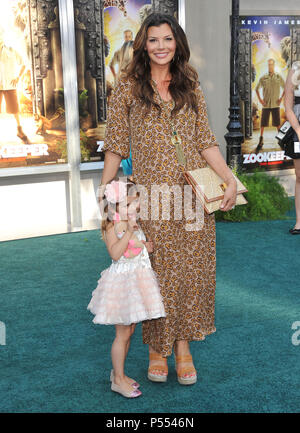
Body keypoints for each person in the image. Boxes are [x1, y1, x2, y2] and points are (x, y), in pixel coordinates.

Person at [99, 13, 237, 386]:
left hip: (192, 192)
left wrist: (229, 179)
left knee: (192, 271)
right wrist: (107, 195)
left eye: (168, 39)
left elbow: (205, 138)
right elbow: (115, 144)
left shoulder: (188, 81)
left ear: (177, 43)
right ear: (143, 43)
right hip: (152, 197)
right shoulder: (127, 85)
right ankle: (157, 350)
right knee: (155, 272)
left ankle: (183, 347)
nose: (161, 47)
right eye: (154, 40)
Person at [87, 178, 166, 397]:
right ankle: (117, 380)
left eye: (137, 205)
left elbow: (133, 250)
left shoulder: (132, 223)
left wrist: (144, 247)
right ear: (116, 206)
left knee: (129, 330)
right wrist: (130, 233)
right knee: (122, 334)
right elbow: (115, 253)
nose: (137, 209)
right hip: (122, 285)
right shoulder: (113, 226)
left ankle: (119, 374)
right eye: (132, 205)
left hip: (136, 281)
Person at [0, 26, 28, 143]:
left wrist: (17, 77)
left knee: (15, 109)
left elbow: (23, 64)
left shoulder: (11, 50)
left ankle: (19, 130)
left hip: (9, 84)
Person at [284, 61, 300, 234]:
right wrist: (298, 129)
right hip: (298, 126)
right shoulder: (296, 68)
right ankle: (299, 222)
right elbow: (288, 107)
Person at [255, 58, 285, 153]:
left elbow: (285, 88)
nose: (270, 66)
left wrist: (281, 98)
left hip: (275, 104)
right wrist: (260, 100)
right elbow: (256, 89)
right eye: (269, 64)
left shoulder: (278, 77)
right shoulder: (263, 77)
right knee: (263, 124)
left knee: (277, 124)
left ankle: (281, 140)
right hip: (266, 105)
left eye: (271, 64)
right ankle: (261, 140)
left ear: (274, 65)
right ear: (267, 66)